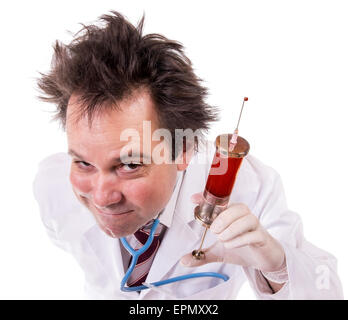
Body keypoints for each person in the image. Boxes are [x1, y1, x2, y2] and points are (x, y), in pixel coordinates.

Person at [33, 11, 343, 299]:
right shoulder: (53, 187)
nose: (101, 197)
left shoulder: (248, 187)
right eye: (84, 162)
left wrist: (276, 266)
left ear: (184, 149)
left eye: (129, 165)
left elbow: (326, 289)